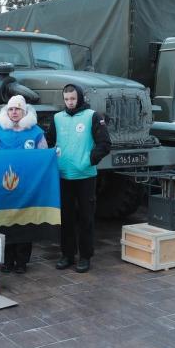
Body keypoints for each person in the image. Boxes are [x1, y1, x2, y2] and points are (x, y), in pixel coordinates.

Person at [46, 84, 111, 274]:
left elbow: (105, 144)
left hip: (85, 176)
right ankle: (67, 255)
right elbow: (48, 141)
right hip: (63, 176)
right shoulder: (57, 118)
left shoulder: (92, 116)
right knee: (66, 218)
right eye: (66, 99)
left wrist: (88, 160)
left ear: (80, 97)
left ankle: (85, 257)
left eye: (73, 99)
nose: (70, 102)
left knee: (86, 218)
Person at [0, 95, 47, 274]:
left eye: (18, 109)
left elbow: (43, 156)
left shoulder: (35, 132)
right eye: (11, 109)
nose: (14, 112)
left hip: (26, 186)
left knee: (24, 222)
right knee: (6, 221)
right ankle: (7, 260)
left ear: (24, 111)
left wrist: (53, 155)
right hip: (4, 186)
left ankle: (22, 261)